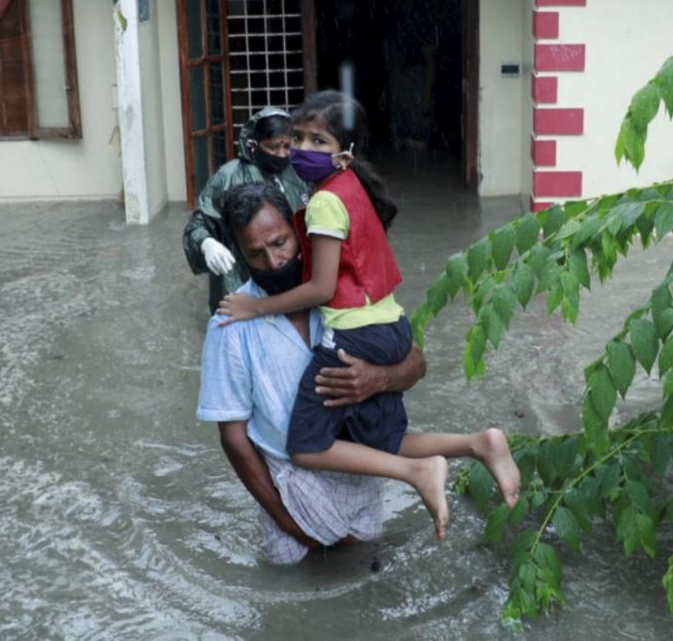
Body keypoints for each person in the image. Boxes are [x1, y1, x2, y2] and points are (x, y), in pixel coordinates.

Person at [216, 93, 520, 541]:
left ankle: (418, 472)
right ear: (238, 252)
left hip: (355, 335)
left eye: (318, 140)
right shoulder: (352, 189)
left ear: (345, 152)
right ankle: (476, 443)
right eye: (297, 137)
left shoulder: (321, 205)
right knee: (381, 442)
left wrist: (256, 307)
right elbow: (233, 437)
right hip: (389, 325)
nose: (302, 148)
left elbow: (321, 290)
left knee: (304, 446)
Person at [182, 107, 310, 313]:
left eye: (288, 146)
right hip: (241, 281)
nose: (282, 154)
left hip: (292, 275)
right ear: (253, 144)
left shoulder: (300, 172)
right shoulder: (228, 177)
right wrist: (207, 244)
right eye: (273, 147)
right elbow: (197, 225)